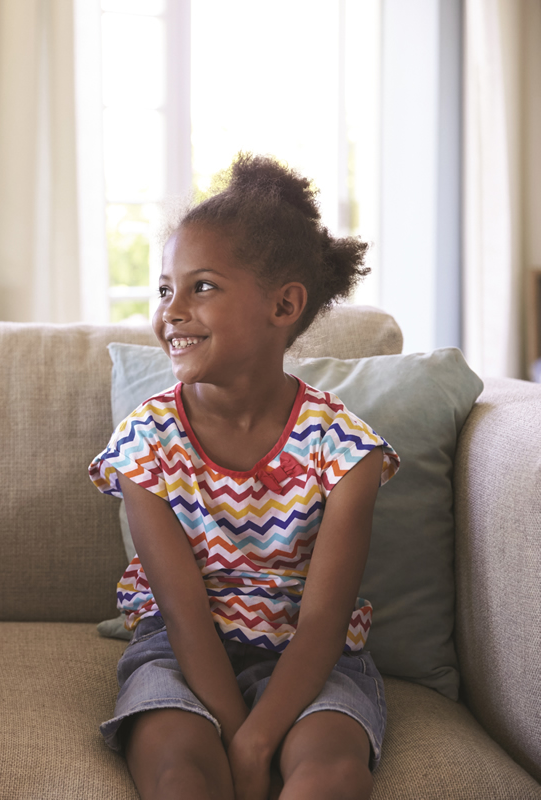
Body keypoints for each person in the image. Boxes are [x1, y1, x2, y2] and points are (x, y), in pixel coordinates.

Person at [88, 154, 399, 800]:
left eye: (201, 287)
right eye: (165, 289)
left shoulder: (346, 451)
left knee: (332, 775)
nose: (172, 310)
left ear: (283, 305)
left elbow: (322, 621)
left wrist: (259, 743)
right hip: (179, 654)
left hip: (313, 662)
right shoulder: (147, 443)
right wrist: (233, 733)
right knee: (180, 774)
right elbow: (182, 611)